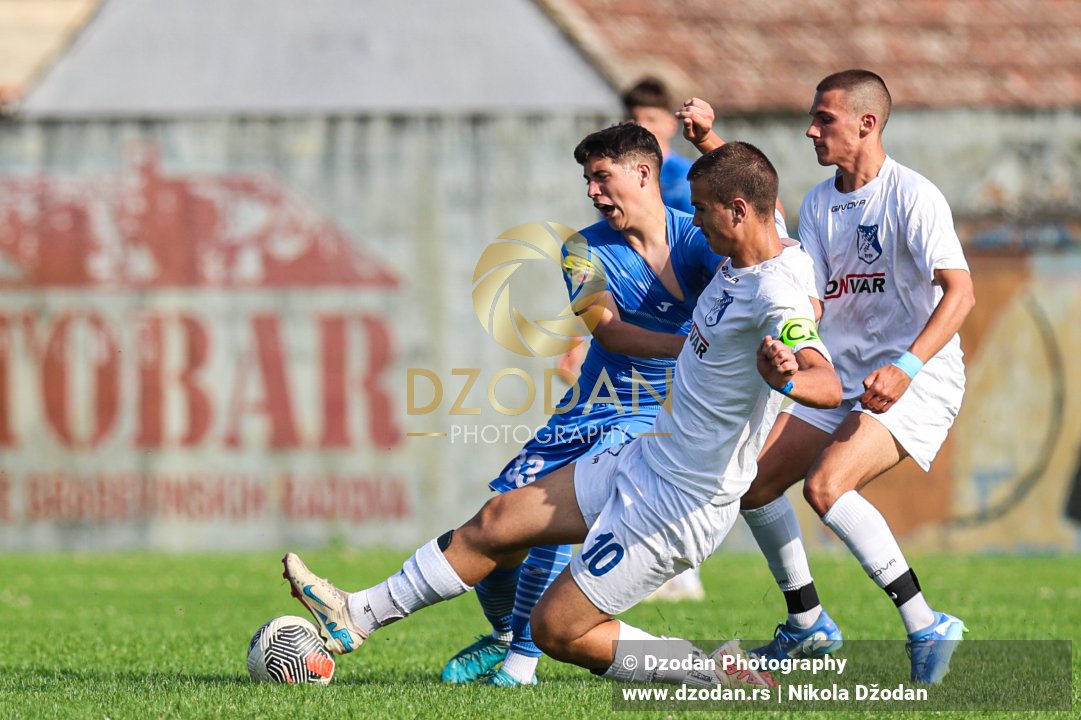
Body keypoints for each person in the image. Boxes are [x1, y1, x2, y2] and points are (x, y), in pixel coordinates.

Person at [282, 141, 842, 690]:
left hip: (681, 501)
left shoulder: (774, 289)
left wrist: (787, 375)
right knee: (498, 522)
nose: (693, 220)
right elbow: (756, 206)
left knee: (558, 629)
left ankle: (714, 675)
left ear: (737, 212)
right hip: (645, 456)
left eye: (700, 208)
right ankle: (355, 615)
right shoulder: (743, 258)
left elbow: (827, 380)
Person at [680, 70, 975, 684]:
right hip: (842, 375)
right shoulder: (819, 202)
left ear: (867, 124)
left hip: (917, 377)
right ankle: (808, 623)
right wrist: (792, 349)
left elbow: (961, 294)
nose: (812, 130)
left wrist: (906, 366)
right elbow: (783, 255)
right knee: (755, 484)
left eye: (825, 119)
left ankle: (927, 624)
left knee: (827, 487)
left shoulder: (913, 196)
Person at [441, 122, 724, 687]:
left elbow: (768, 236)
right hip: (587, 409)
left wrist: (712, 145)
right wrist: (695, 344)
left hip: (656, 417)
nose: (591, 191)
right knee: (490, 536)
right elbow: (612, 335)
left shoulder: (701, 238)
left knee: (548, 524)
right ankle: (504, 635)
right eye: (587, 180)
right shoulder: (581, 249)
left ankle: (521, 663)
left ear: (643, 174)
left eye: (601, 177)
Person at [621, 77, 696, 214]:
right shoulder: (618, 176)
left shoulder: (688, 177)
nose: (641, 126)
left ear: (671, 125)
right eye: (633, 118)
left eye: (651, 119)